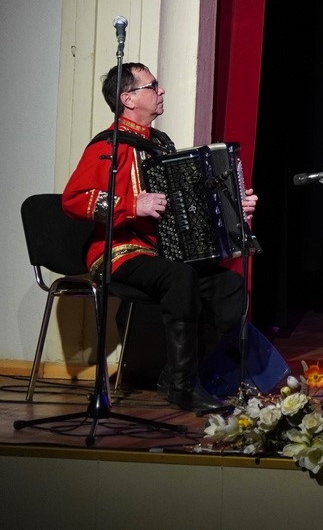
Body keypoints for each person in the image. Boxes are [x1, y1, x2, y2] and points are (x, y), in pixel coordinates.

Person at [62, 63, 257, 413]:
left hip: (158, 253)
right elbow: (74, 199)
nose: (161, 90)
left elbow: (187, 203)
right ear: (128, 98)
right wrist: (130, 204)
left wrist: (233, 207)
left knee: (228, 285)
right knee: (179, 277)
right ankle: (183, 386)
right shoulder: (109, 146)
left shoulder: (160, 146)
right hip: (117, 253)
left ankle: (176, 374)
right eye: (153, 86)